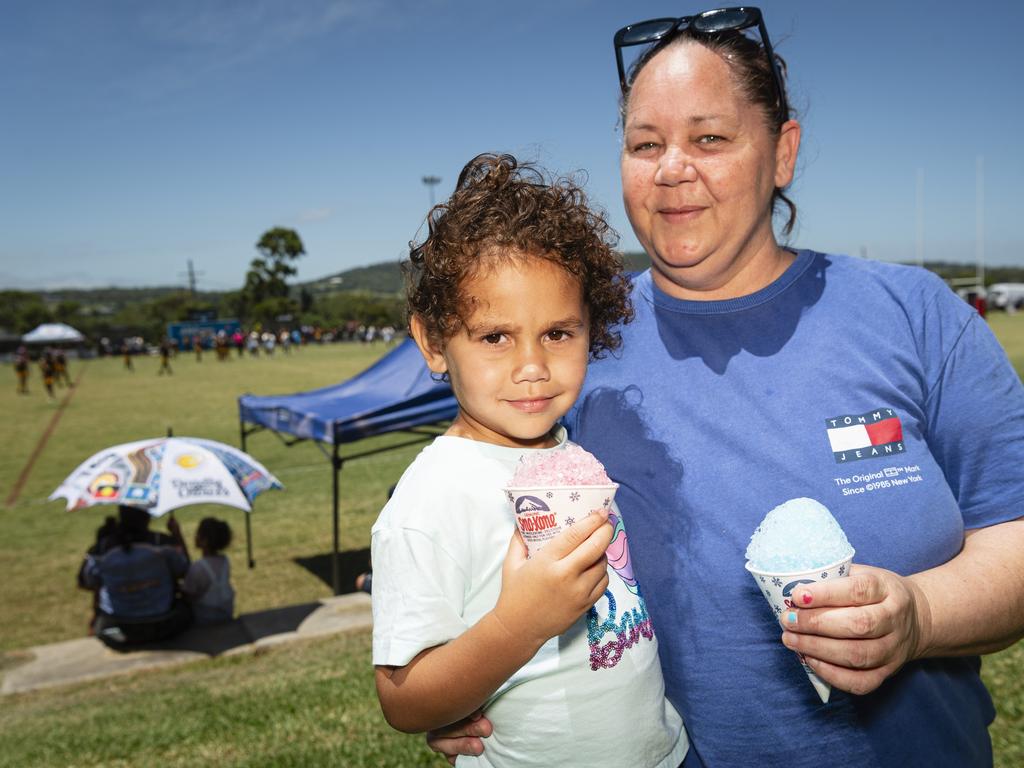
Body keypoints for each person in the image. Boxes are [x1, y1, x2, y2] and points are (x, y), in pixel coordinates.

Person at [431, 8, 1024, 768]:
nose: (673, 168)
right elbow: (469, 526)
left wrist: (921, 614)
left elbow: (1012, 529)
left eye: (709, 138)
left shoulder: (915, 314)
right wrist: (470, 674)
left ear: (783, 151)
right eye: (645, 144)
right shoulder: (570, 345)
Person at [373, 153, 687, 768]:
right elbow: (403, 702)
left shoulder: (573, 451)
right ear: (434, 343)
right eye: (495, 337)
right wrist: (519, 626)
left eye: (559, 333)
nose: (533, 366)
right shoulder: (432, 498)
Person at [79, 505, 192, 648]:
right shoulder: (162, 543)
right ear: (147, 517)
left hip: (118, 628)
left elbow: (85, 582)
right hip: (165, 625)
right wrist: (177, 535)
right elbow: (185, 570)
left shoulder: (102, 549)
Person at [181, 517, 235, 625]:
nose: (195, 537)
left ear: (204, 541)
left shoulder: (197, 567)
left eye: (198, 534)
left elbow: (189, 595)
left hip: (204, 619)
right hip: (226, 614)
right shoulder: (225, 561)